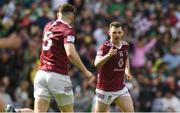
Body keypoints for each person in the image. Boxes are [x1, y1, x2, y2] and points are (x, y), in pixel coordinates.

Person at [33, 3, 93, 112]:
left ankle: (17, 111)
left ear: (58, 14)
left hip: (41, 74)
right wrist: (85, 71)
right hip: (58, 75)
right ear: (72, 16)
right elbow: (70, 53)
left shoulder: (48, 26)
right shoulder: (67, 29)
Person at [94, 21, 134, 112]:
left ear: (123, 33)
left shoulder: (125, 45)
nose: (117, 35)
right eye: (114, 32)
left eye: (119, 32)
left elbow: (126, 58)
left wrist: (127, 71)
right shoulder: (104, 47)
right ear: (109, 33)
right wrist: (108, 55)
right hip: (105, 89)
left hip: (120, 88)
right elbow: (96, 64)